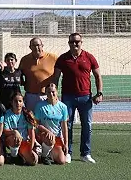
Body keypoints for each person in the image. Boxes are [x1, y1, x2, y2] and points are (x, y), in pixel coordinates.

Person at [53, 32, 102, 164]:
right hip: (67, 97)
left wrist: (99, 93)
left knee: (87, 125)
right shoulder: (62, 59)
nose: (75, 43)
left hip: (86, 97)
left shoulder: (89, 57)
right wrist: (54, 93)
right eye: (72, 41)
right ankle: (67, 152)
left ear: (81, 42)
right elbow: (56, 77)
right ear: (68, 43)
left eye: (77, 41)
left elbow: (98, 76)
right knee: (67, 125)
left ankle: (85, 153)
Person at [34, 83, 70, 165]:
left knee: (62, 161)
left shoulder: (63, 107)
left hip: (56, 137)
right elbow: (36, 124)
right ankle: (44, 156)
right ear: (46, 93)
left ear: (57, 91)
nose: (51, 94)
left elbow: (64, 127)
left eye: (53, 91)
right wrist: (47, 131)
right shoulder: (40, 106)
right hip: (43, 135)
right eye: (48, 92)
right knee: (50, 140)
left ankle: (49, 152)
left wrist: (66, 144)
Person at [19, 37, 58, 111]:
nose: (36, 48)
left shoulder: (53, 57)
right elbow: (19, 73)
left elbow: (60, 72)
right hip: (31, 96)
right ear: (30, 47)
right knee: (31, 120)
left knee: (47, 120)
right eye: (33, 46)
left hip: (47, 96)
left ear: (42, 45)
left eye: (38, 45)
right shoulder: (25, 59)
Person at [2, 91, 38, 166]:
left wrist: (30, 149)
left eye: (20, 101)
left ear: (23, 102)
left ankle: (20, 154)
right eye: (15, 101)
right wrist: (14, 132)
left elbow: (32, 134)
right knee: (15, 137)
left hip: (24, 141)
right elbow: (5, 131)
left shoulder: (27, 114)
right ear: (11, 102)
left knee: (33, 161)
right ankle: (13, 157)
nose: (18, 103)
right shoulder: (7, 114)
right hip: (11, 140)